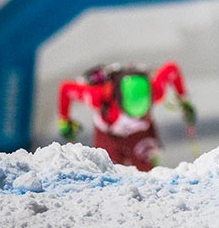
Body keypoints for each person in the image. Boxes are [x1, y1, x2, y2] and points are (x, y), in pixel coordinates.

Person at [57, 61, 196, 171]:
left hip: (140, 133)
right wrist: (64, 121)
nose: (137, 115)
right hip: (109, 134)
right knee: (107, 171)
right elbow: (66, 89)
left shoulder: (154, 92)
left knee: (146, 171)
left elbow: (172, 69)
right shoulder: (100, 97)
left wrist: (184, 101)